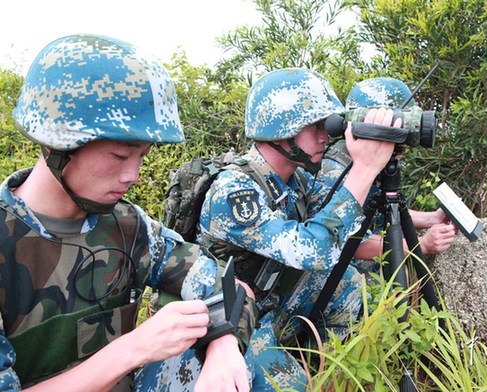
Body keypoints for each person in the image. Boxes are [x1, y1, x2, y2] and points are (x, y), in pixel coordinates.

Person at [0, 34, 256, 391]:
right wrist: (133, 349)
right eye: (120, 156)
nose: (132, 175)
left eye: (142, 157)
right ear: (58, 142)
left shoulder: (128, 225)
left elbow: (223, 284)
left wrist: (224, 343)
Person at [198, 68, 397, 390]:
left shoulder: (298, 179)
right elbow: (313, 251)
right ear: (280, 129)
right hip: (235, 313)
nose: (324, 136)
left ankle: (330, 368)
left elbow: (340, 222)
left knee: (349, 284)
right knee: (294, 387)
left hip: (274, 295)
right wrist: (364, 167)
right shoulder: (235, 191)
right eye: (314, 125)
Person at [311, 77, 458, 272]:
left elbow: (381, 211)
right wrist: (420, 245)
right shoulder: (337, 169)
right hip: (337, 277)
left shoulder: (372, 160)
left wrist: (432, 218)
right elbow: (349, 241)